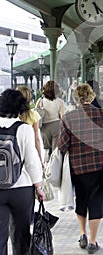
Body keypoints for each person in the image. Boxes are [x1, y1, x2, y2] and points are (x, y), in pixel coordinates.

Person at [57, 83, 103, 254]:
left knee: (81, 200)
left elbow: (62, 146)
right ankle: (93, 241)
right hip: (99, 165)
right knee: (96, 202)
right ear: (91, 97)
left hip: (77, 167)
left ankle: (82, 233)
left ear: (76, 99)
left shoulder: (69, 118)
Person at [0, 89, 45, 255]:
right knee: (21, 235)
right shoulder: (24, 129)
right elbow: (32, 161)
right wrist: (39, 187)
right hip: (21, 188)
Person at [35, 80, 65, 161]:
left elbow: (37, 115)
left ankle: (46, 166)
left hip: (44, 127)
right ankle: (54, 166)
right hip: (56, 126)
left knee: (46, 149)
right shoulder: (60, 102)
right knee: (55, 150)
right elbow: (62, 116)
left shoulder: (40, 101)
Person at [16, 85, 43, 166]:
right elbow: (36, 139)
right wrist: (40, 159)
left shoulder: (10, 114)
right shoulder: (33, 115)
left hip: (13, 152)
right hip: (28, 151)